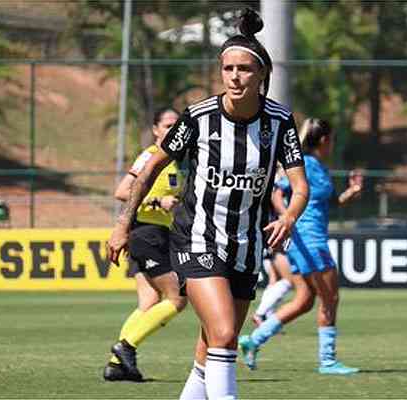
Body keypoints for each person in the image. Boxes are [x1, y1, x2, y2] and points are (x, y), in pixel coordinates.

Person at [106, 8, 309, 399]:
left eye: (244, 69)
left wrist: (291, 217)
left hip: (247, 248)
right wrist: (121, 224)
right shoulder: (198, 118)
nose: (235, 76)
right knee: (225, 334)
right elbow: (149, 168)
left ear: (262, 74)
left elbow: (299, 186)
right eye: (227, 68)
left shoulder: (279, 122)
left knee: (211, 346)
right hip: (196, 240)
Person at [239, 118, 364, 375]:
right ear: (324, 140)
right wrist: (287, 219)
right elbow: (276, 193)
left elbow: (327, 203)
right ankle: (327, 361)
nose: (333, 145)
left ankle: (254, 341)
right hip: (308, 240)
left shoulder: (319, 167)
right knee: (331, 297)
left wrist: (350, 193)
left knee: (305, 300)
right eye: (333, 139)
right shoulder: (304, 164)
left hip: (305, 240)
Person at [103, 107, 187, 382]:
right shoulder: (150, 156)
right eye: (167, 125)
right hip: (146, 234)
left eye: (176, 126)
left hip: (153, 234)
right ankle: (125, 346)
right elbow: (122, 191)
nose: (172, 130)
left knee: (149, 301)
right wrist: (156, 201)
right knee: (177, 298)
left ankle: (117, 365)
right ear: (155, 130)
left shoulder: (173, 161)